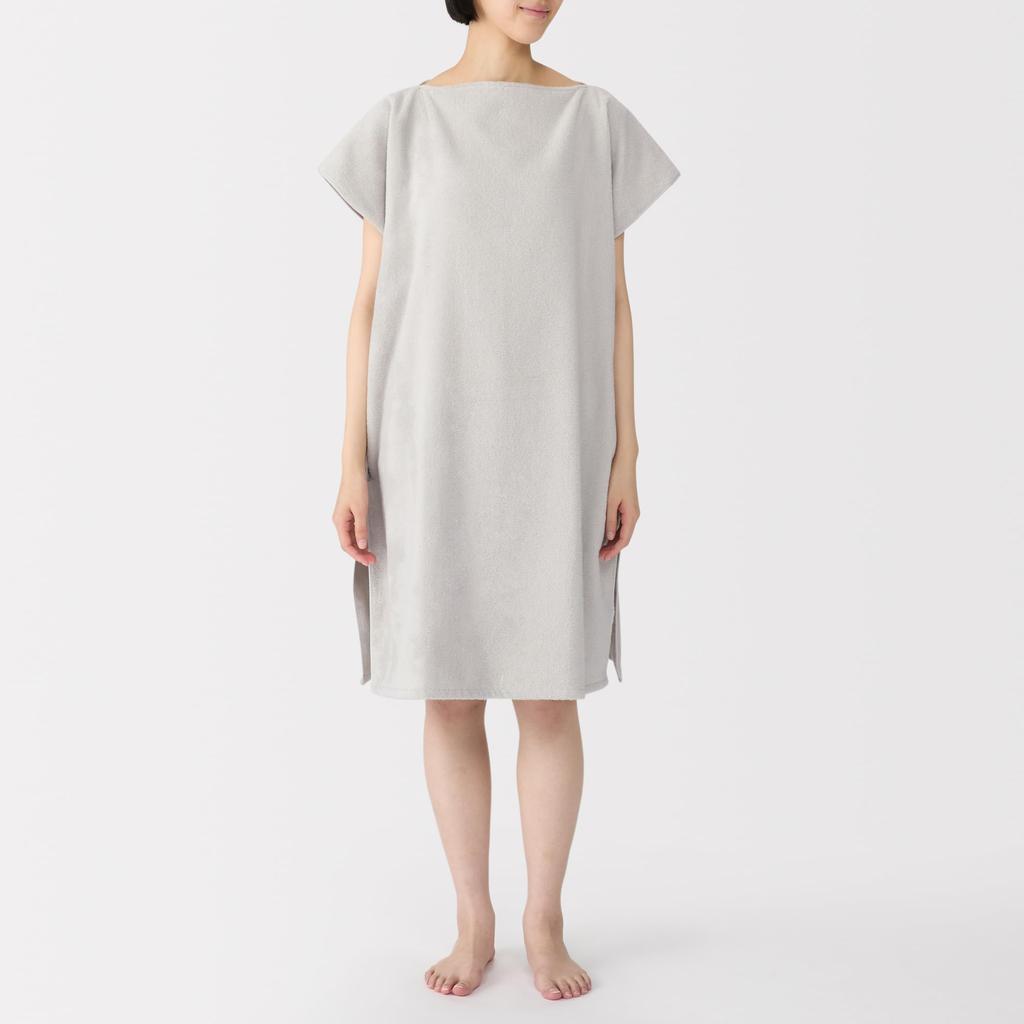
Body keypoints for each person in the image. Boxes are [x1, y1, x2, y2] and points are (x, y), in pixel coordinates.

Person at [318, 0, 678, 1001]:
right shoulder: (401, 124)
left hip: (555, 441)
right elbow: (367, 305)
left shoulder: (594, 122)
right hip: (428, 441)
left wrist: (627, 455)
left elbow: (613, 302)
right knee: (450, 687)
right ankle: (473, 914)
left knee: (549, 688)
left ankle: (543, 916)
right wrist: (351, 461)